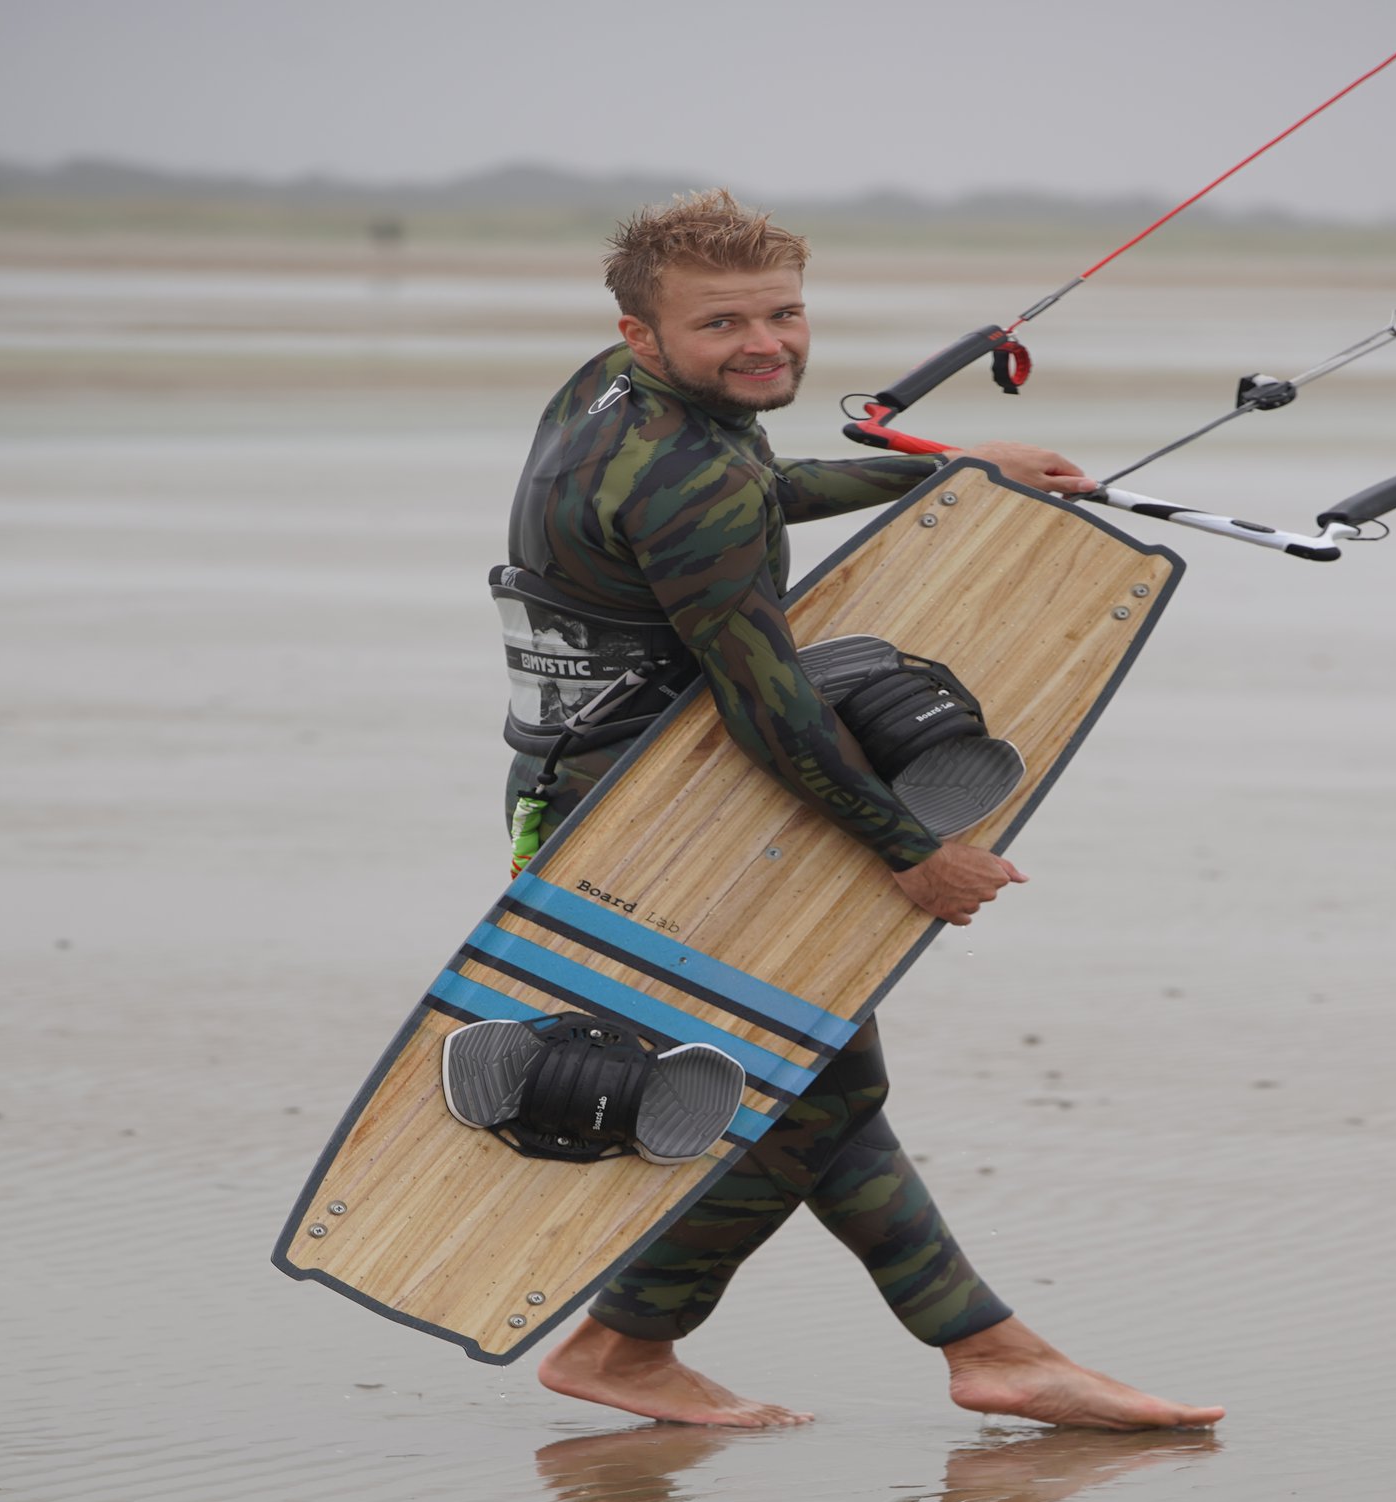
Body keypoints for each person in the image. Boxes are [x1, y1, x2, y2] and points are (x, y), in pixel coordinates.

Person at [499, 189, 1223, 1433]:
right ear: (642, 331)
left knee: (816, 1082)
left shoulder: (615, 403)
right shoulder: (681, 473)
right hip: (667, 819)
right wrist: (912, 852)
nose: (765, 343)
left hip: (582, 784)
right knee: (809, 1079)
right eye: (723, 322)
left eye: (782, 312)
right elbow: (763, 704)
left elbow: (750, 486)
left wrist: (946, 464)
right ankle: (961, 1351)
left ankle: (651, 1343)